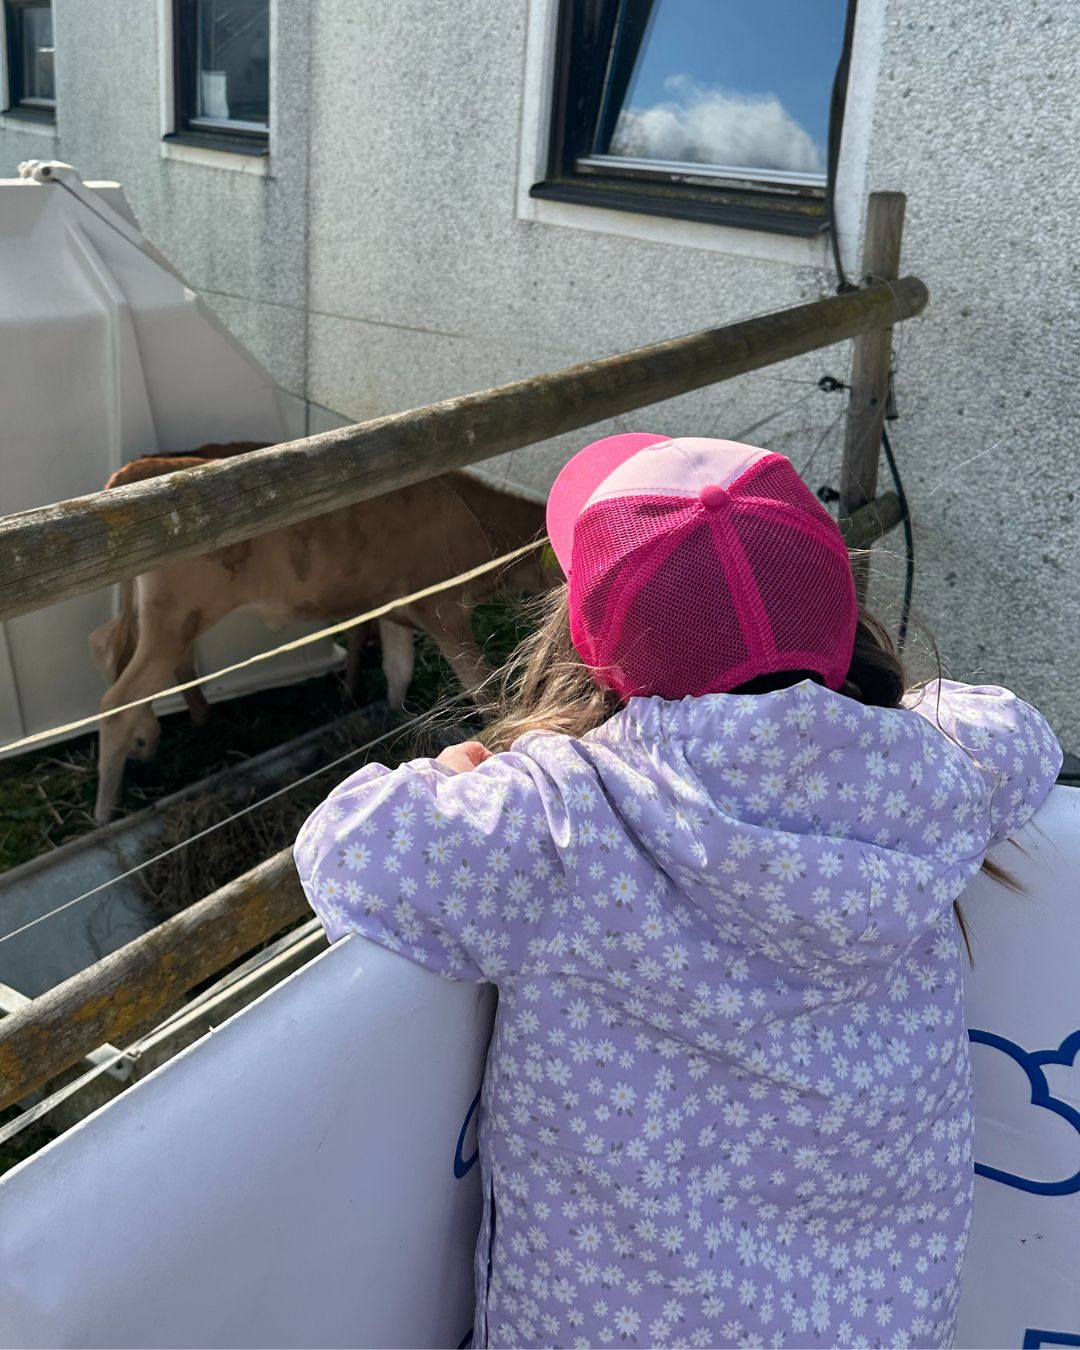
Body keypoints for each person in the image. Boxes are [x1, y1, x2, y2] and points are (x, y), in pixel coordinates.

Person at [295, 434, 1061, 1349]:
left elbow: (345, 848)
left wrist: (464, 773)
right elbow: (1017, 726)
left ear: (593, 649)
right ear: (843, 617)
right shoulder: (936, 776)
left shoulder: (565, 819)